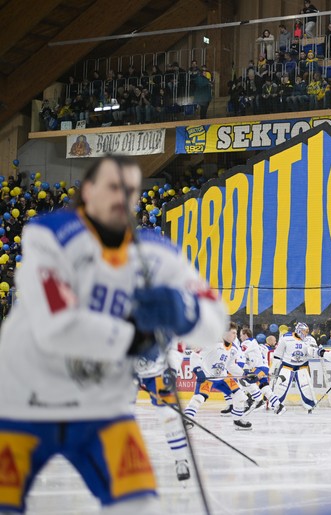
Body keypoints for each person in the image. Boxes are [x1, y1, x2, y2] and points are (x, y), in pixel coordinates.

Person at [0, 155, 227, 513]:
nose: (121, 197)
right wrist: (136, 338)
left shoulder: (157, 254)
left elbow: (216, 321)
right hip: (26, 400)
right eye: (111, 186)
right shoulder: (50, 237)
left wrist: (185, 311)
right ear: (87, 191)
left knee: (138, 502)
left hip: (99, 406)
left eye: (130, 189)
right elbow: (57, 326)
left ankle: (180, 460)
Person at [183, 325, 255, 430]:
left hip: (223, 377)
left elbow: (230, 365)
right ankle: (187, 418)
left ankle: (238, 420)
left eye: (236, 333)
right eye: (233, 333)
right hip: (208, 377)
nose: (235, 336)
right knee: (199, 398)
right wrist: (198, 370)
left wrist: (244, 374)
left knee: (240, 396)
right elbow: (195, 355)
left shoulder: (234, 349)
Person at [136, 341, 190, 482]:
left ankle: (181, 460)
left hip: (158, 372)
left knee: (169, 416)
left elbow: (177, 345)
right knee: (119, 416)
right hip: (126, 370)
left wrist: (171, 370)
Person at [271, 322, 319, 413]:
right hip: (287, 366)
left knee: (307, 387)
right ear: (298, 330)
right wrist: (273, 368)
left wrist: (316, 352)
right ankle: (276, 405)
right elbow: (277, 354)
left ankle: (310, 406)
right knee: (280, 387)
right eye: (304, 331)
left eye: (307, 331)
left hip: (302, 367)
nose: (306, 333)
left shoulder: (310, 339)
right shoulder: (286, 337)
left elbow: (314, 353)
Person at [239, 327, 285, 414]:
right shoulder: (256, 343)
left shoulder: (247, 342)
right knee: (265, 388)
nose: (240, 337)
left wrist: (238, 364)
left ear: (245, 335)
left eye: (241, 335)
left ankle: (256, 401)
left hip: (258, 368)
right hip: (262, 368)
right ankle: (279, 405)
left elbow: (240, 356)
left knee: (244, 381)